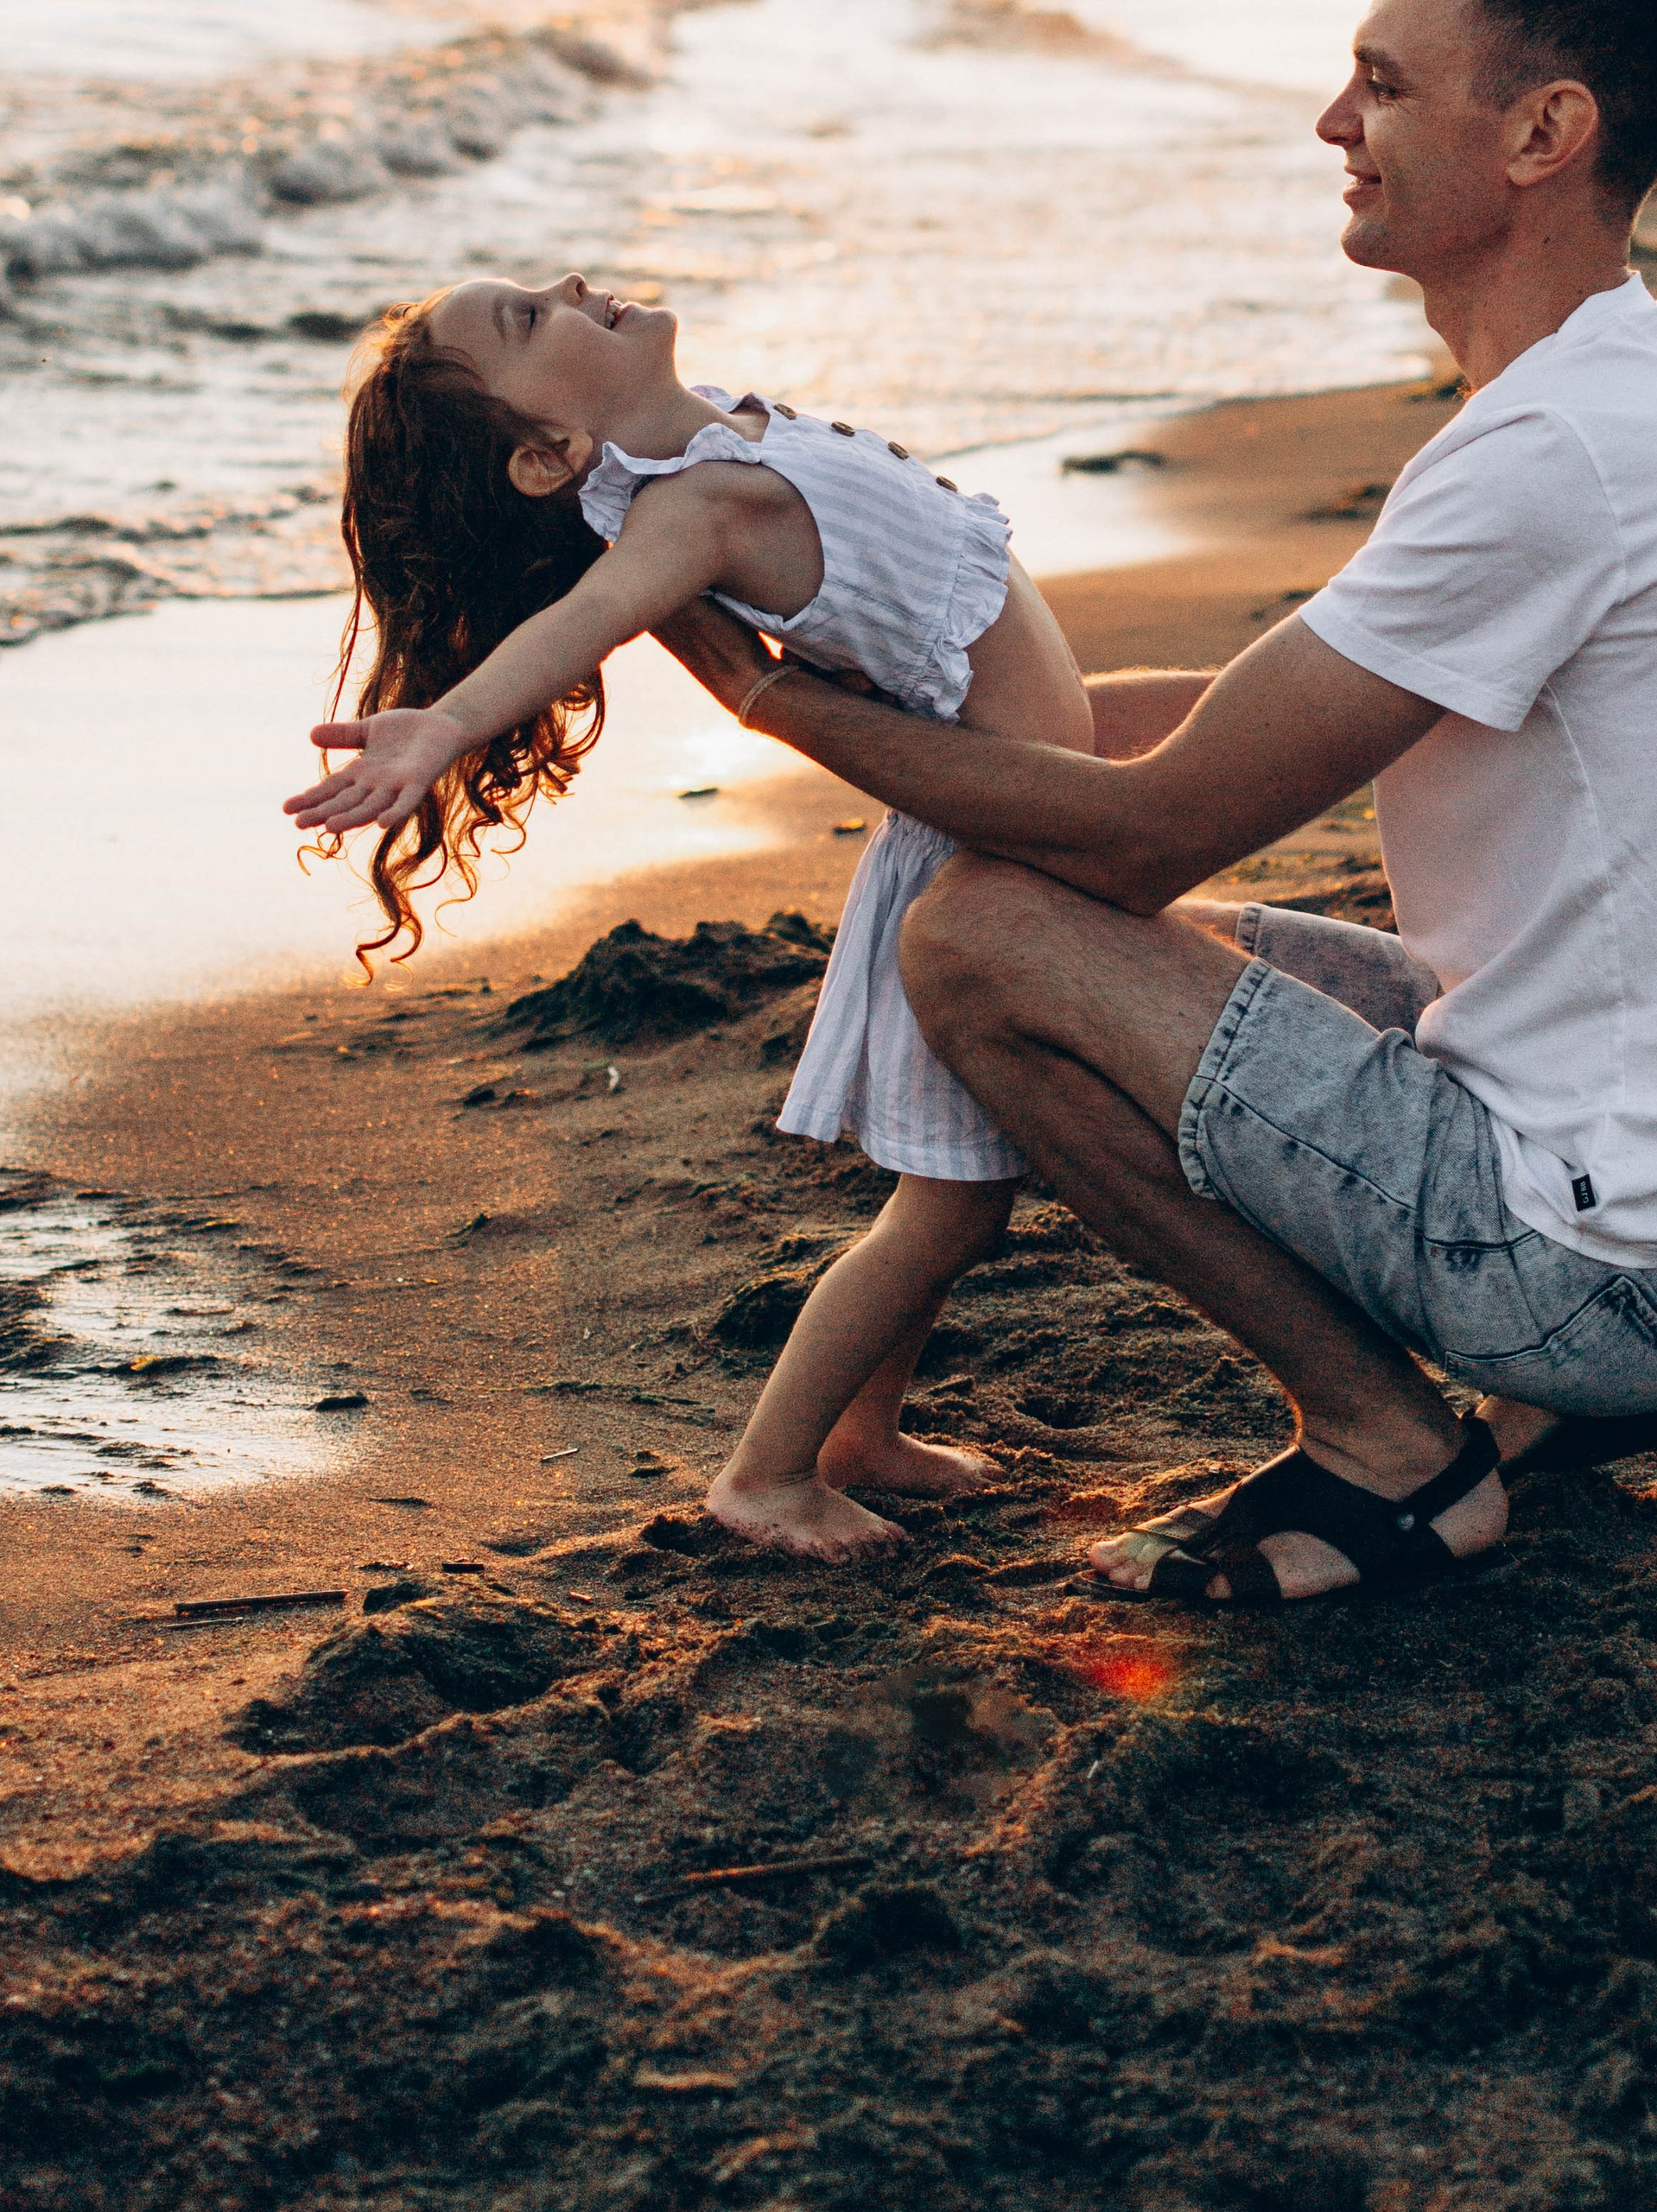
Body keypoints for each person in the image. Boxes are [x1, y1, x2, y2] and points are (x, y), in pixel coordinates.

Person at [660, 0, 1657, 1611]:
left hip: (1609, 1259)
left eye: (1384, 86)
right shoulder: (1620, 396)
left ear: (1542, 131)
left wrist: (769, 697)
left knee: (988, 941)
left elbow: (1149, 832)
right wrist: (957, 709)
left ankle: (1388, 1451)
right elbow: (1239, 718)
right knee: (1080, 914)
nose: (1333, 121)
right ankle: (1508, 1411)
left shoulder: (1553, 456)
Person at [281, 270, 1096, 1560]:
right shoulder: (695, 512)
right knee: (946, 1207)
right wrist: (445, 722)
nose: (566, 284)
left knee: (958, 1200)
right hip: (980, 850)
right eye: (526, 319)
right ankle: (769, 1476)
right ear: (548, 452)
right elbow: (586, 620)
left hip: (1022, 811)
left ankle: (863, 1440)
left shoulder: (709, 433)